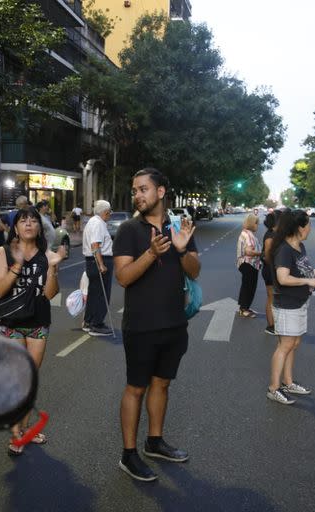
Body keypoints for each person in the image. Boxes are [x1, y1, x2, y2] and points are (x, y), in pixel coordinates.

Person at [113, 168, 199, 482]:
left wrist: (181, 248)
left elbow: (194, 270)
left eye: (143, 189)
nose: (138, 195)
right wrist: (151, 253)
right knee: (136, 388)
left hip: (174, 323)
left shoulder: (180, 225)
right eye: (135, 190)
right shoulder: (128, 230)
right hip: (141, 325)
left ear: (161, 192)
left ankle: (154, 441)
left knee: (162, 384)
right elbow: (123, 277)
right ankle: (128, 454)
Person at [0, 207, 65, 456]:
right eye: (24, 220)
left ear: (39, 227)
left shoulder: (47, 254)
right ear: (15, 227)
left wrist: (53, 269)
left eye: (34, 220)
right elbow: (0, 291)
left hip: (37, 322)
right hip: (10, 322)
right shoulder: (3, 252)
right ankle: (16, 434)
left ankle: (23, 430)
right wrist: (18, 264)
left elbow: (51, 294)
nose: (29, 224)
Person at [265, 209, 315, 405]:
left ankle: (288, 382)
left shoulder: (299, 247)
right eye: (308, 224)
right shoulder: (284, 250)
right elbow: (283, 279)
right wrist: (307, 282)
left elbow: (304, 271)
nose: (310, 228)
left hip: (299, 303)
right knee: (285, 346)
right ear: (300, 227)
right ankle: (274, 388)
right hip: (287, 305)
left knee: (293, 344)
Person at [82, 199, 114, 336]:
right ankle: (96, 324)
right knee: (102, 294)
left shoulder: (93, 221)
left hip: (93, 260)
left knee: (94, 293)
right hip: (99, 260)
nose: (110, 214)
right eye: (110, 212)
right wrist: (101, 264)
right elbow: (95, 245)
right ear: (106, 212)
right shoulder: (98, 223)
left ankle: (89, 321)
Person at [236, 213, 262, 318]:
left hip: (247, 264)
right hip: (249, 264)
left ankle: (244, 307)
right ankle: (244, 309)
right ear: (252, 223)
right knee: (249, 287)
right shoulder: (248, 235)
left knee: (247, 286)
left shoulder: (245, 233)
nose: (257, 226)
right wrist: (262, 253)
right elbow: (249, 252)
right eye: (257, 224)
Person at [261, 210, 282, 335]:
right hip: (270, 270)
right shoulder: (270, 236)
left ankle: (275, 323)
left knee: (275, 297)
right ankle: (270, 326)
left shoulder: (275, 234)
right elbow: (268, 255)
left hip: (274, 269)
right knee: (271, 297)